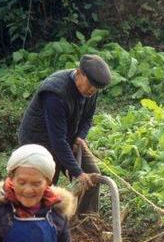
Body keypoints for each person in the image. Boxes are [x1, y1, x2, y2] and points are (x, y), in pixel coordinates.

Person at [18, 54, 112, 215]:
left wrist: (80, 137)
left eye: (95, 89)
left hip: (66, 138)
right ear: (79, 73)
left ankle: (85, 221)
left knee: (92, 177)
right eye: (90, 85)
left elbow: (87, 118)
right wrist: (77, 172)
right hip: (39, 143)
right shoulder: (56, 93)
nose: (92, 91)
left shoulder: (91, 89)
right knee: (44, 184)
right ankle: (34, 221)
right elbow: (57, 141)